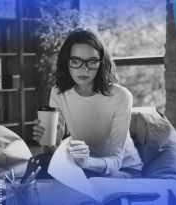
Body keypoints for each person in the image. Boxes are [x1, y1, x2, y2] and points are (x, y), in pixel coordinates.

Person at [33, 28, 143, 178]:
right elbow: (51, 153)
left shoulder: (121, 96)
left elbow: (116, 161)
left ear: (101, 62)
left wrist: (86, 163)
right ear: (66, 62)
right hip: (81, 165)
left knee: (87, 180)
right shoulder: (59, 93)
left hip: (122, 170)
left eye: (92, 62)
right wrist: (46, 141)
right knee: (38, 163)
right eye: (76, 61)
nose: (84, 69)